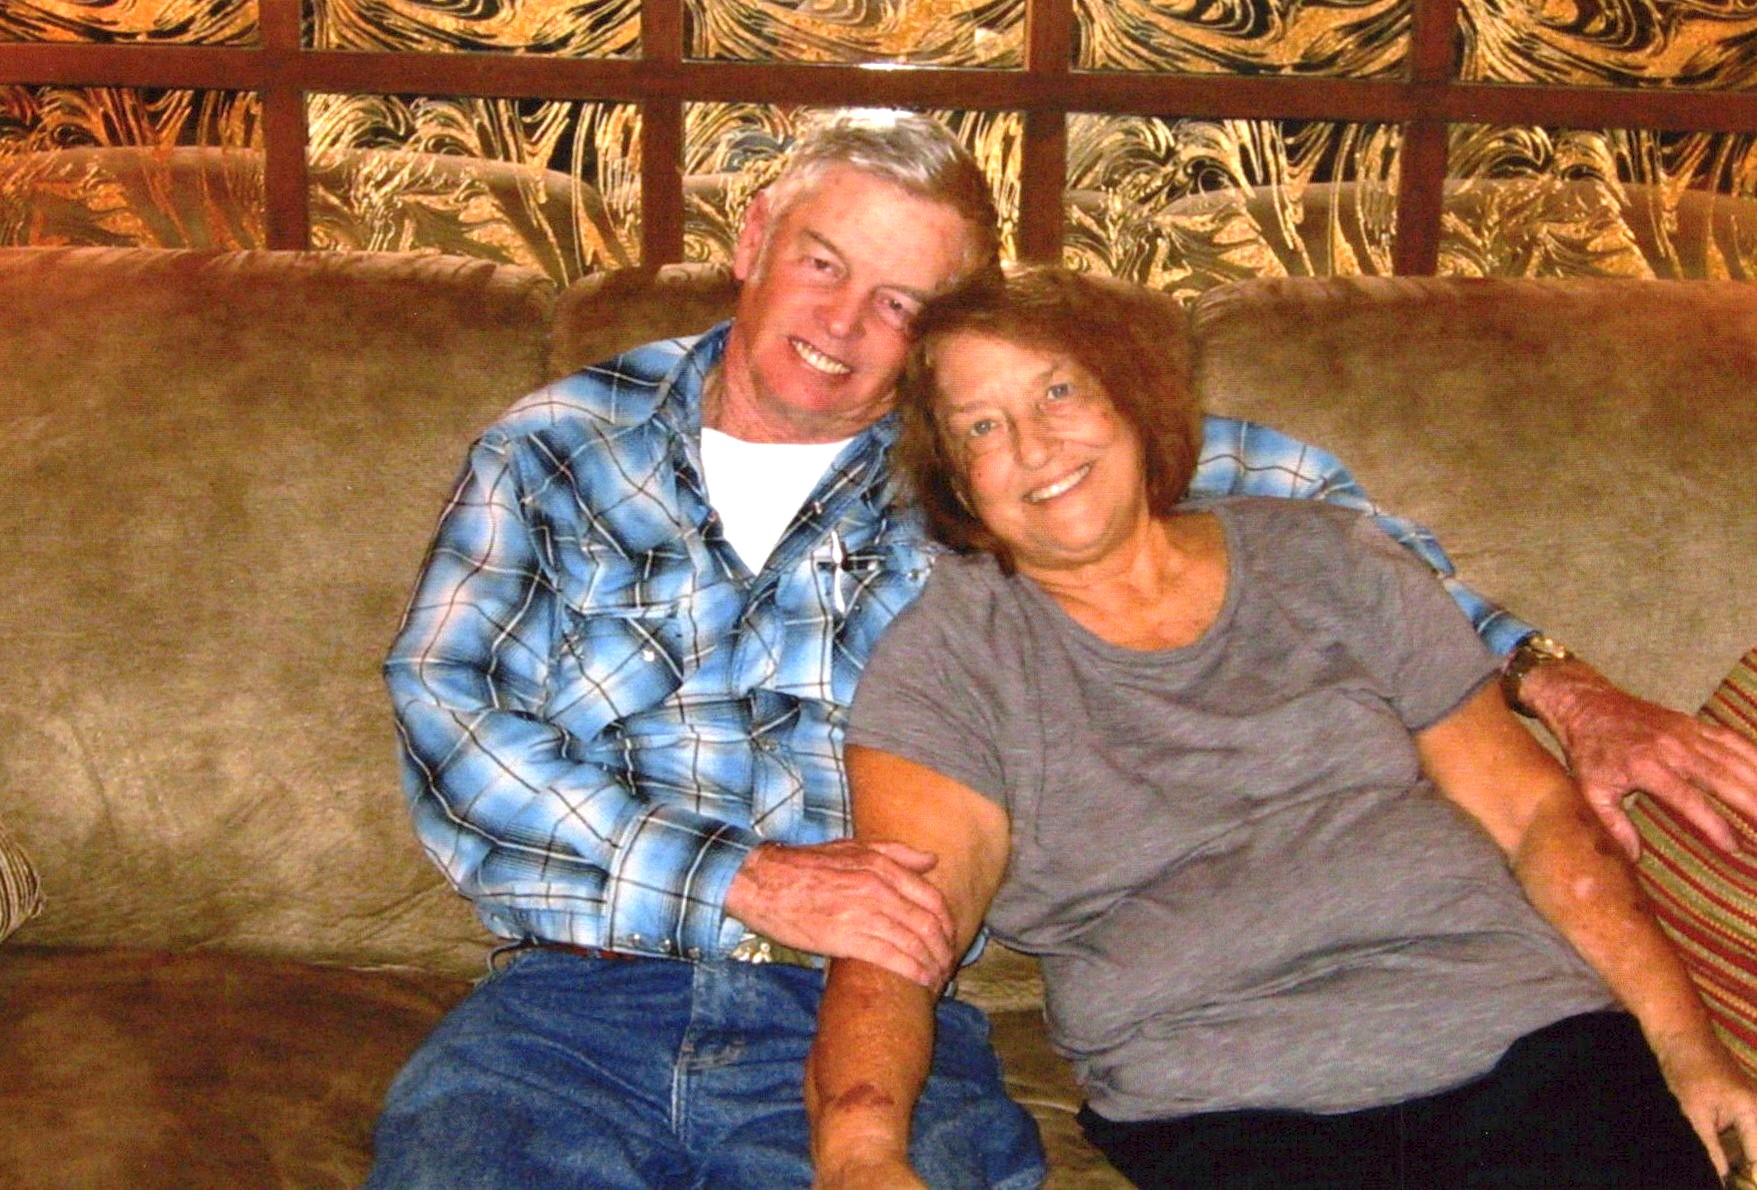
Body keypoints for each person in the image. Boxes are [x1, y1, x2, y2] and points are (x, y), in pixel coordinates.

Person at [374, 109, 1756, 1186]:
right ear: (754, 239)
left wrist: (1558, 681)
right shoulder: (557, 448)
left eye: (901, 303)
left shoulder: (978, 467)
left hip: (868, 1009)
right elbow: (450, 720)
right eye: (823, 262)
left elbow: (1304, 524)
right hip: (571, 1000)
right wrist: (748, 879)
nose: (844, 322)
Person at [809, 264, 1757, 1188]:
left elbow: (1533, 814)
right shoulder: (949, 662)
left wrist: (1687, 1047)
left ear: (1130, 400)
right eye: (981, 425)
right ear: (957, 484)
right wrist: (858, 1154)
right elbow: (902, 926)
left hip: (1526, 1039)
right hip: (1225, 1104)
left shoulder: (1329, 557)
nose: (1034, 443)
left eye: (1058, 390)